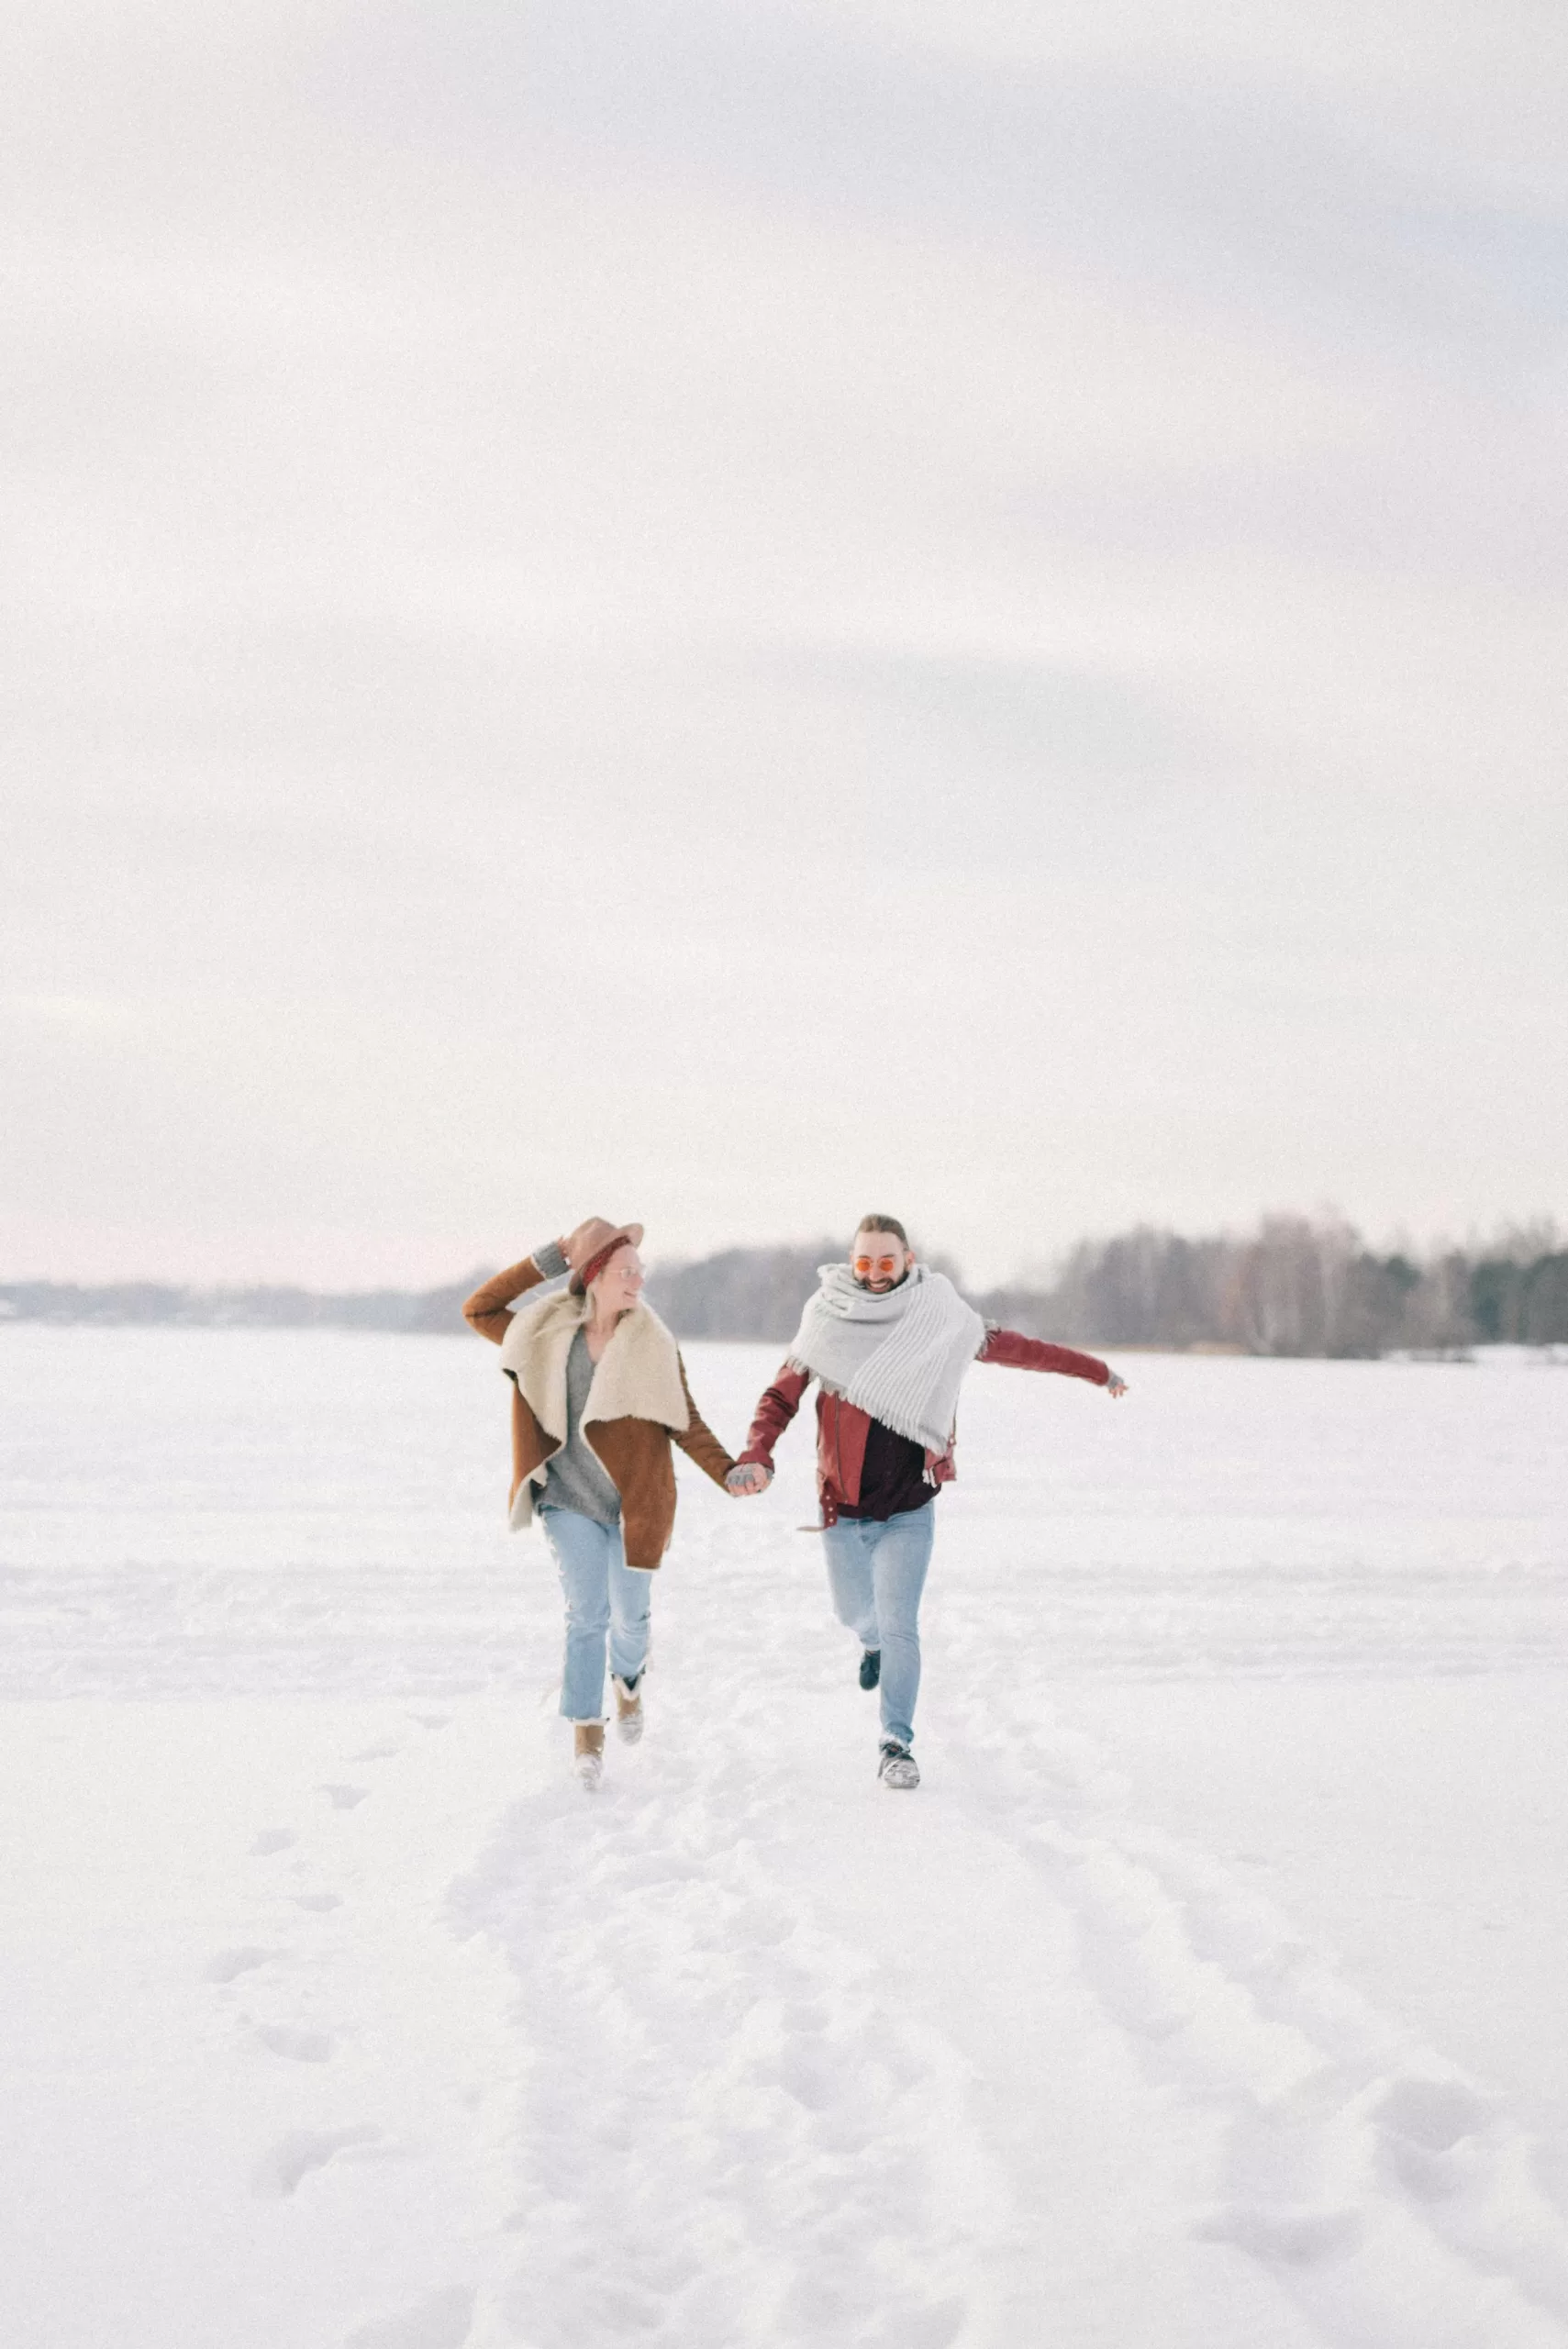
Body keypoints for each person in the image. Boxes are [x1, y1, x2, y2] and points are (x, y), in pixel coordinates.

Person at [727, 1215, 1127, 1789]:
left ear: (908, 1260)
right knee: (855, 1614)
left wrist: (1096, 1370)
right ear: (851, 1262)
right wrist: (757, 1452)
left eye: (887, 1262)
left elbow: (1022, 1350)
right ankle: (869, 1644)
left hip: (908, 1510)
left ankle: (896, 1743)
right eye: (864, 1262)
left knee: (901, 1626)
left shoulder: (940, 1316)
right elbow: (779, 1397)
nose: (875, 1273)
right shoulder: (826, 1317)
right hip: (842, 1508)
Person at [463, 1218, 739, 1788]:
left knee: (630, 1619)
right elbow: (480, 1309)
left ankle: (628, 1682)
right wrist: (546, 1260)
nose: (638, 1280)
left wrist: (729, 1471)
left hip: (635, 1505)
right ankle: (587, 1734)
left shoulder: (654, 1345)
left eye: (640, 1271)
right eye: (625, 1271)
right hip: (568, 1499)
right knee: (587, 1615)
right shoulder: (545, 1333)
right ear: (593, 1276)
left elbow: (685, 1421)